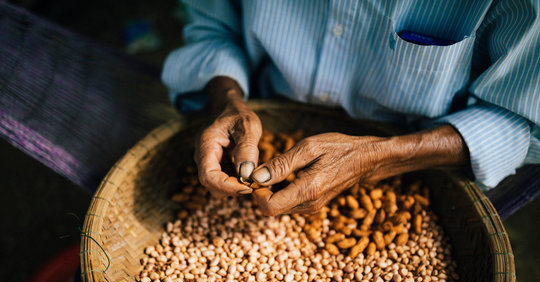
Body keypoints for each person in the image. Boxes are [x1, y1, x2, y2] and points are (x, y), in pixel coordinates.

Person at [162, 0, 540, 216]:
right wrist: (228, 99)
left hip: (425, 161)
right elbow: (212, 26)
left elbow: (520, 124)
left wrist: (380, 156)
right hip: (266, 117)